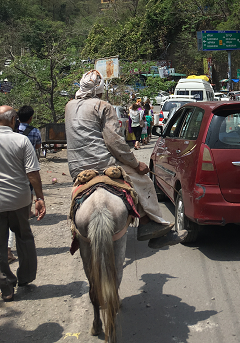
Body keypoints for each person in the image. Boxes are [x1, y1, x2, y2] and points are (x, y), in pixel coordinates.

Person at [65, 70, 186, 248]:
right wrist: (137, 165)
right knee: (143, 182)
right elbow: (115, 142)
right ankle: (149, 224)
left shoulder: (69, 106)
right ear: (100, 89)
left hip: (76, 167)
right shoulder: (103, 106)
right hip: (102, 163)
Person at [0, 106, 46, 302]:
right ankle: (25, 276)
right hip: (20, 199)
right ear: (13, 121)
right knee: (24, 237)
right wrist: (40, 197)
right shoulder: (22, 140)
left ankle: (6, 285)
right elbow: (32, 173)